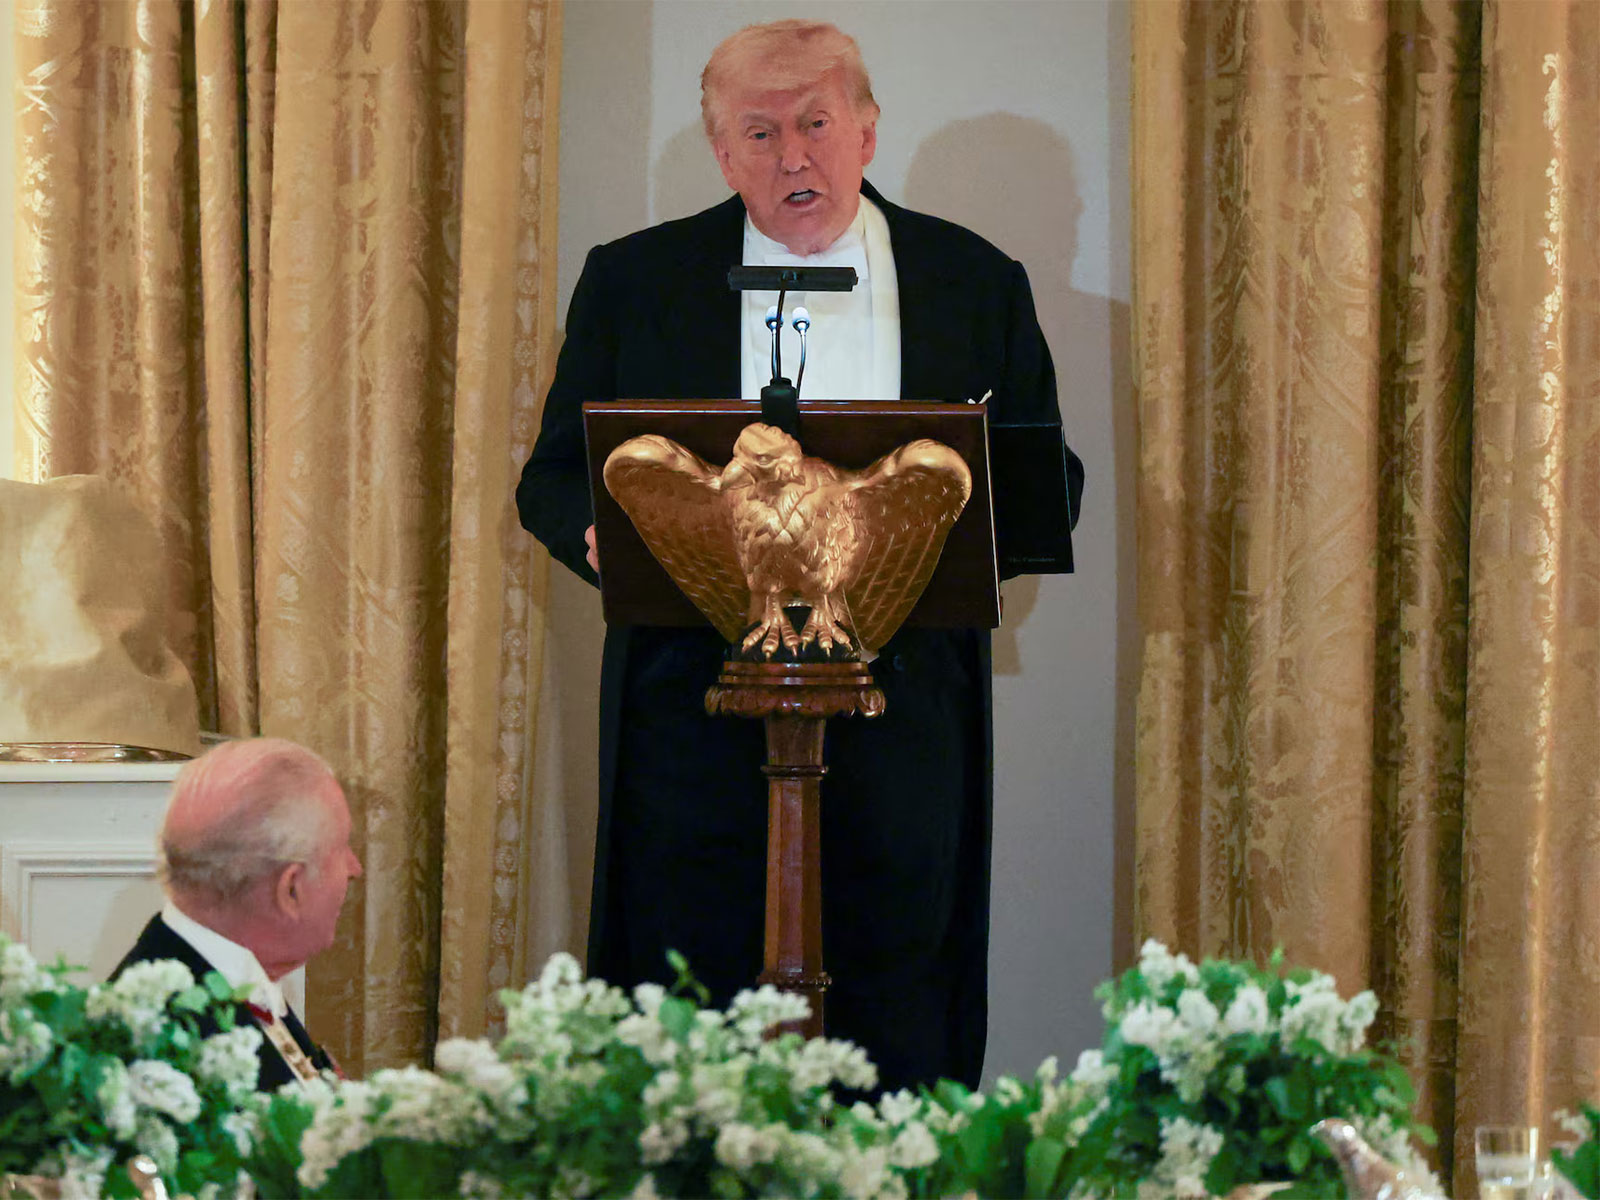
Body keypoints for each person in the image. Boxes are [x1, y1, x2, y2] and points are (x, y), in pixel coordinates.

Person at [517, 19, 1077, 1091]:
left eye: (816, 124)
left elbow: (1047, 482)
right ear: (721, 151)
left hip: (903, 717)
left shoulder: (971, 280)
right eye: (760, 133)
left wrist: (955, 526)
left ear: (867, 131)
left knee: (897, 1011)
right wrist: (598, 531)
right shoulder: (636, 280)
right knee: (687, 1018)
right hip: (688, 725)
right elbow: (551, 478)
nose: (793, 158)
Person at [113, 737, 362, 1090]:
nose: (354, 868)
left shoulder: (227, 978)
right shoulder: (167, 1051)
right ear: (290, 889)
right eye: (340, 848)